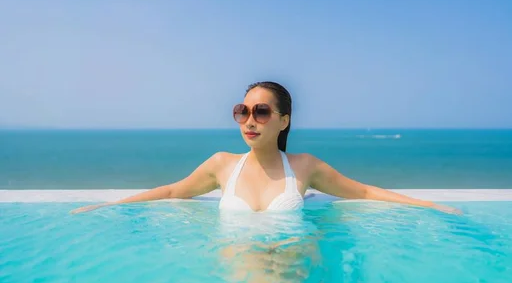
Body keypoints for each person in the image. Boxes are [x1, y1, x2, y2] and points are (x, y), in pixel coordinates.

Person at [71, 81, 461, 215]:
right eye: (242, 111)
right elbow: (173, 191)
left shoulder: (304, 167)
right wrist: (111, 206)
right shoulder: (222, 166)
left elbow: (361, 191)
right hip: (239, 269)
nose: (250, 120)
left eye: (260, 111)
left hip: (290, 264)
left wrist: (429, 206)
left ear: (283, 120)